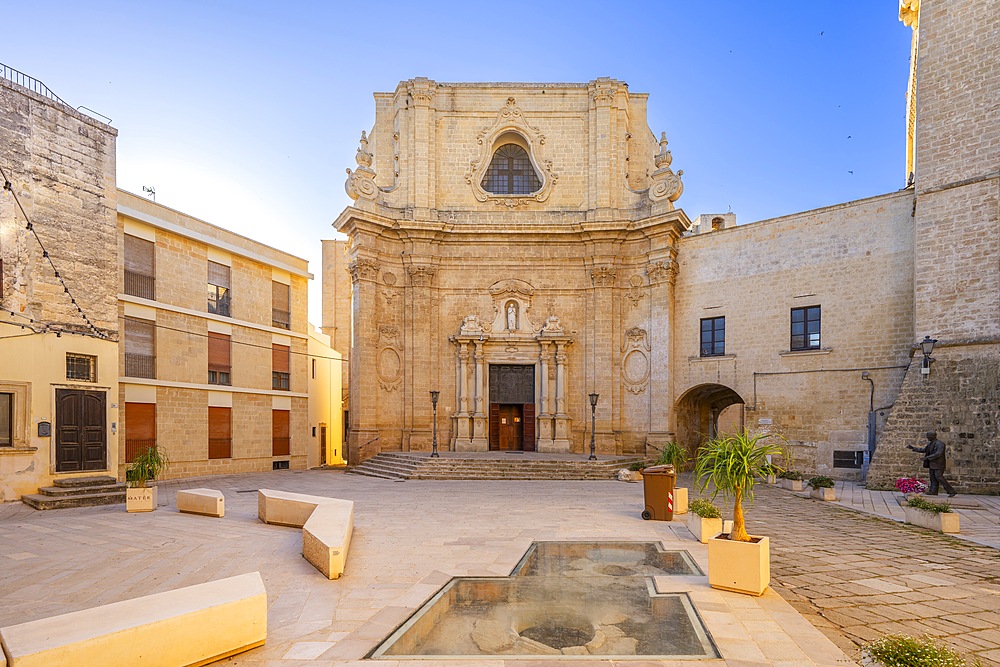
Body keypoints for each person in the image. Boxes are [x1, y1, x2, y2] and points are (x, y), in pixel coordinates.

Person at [907, 431, 956, 497]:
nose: (927, 438)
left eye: (929, 436)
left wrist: (927, 458)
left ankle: (951, 491)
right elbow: (924, 450)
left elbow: (939, 453)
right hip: (932, 464)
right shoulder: (930, 443)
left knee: (939, 477)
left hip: (939, 464)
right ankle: (933, 490)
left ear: (933, 436)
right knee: (932, 477)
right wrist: (913, 448)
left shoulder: (940, 444)